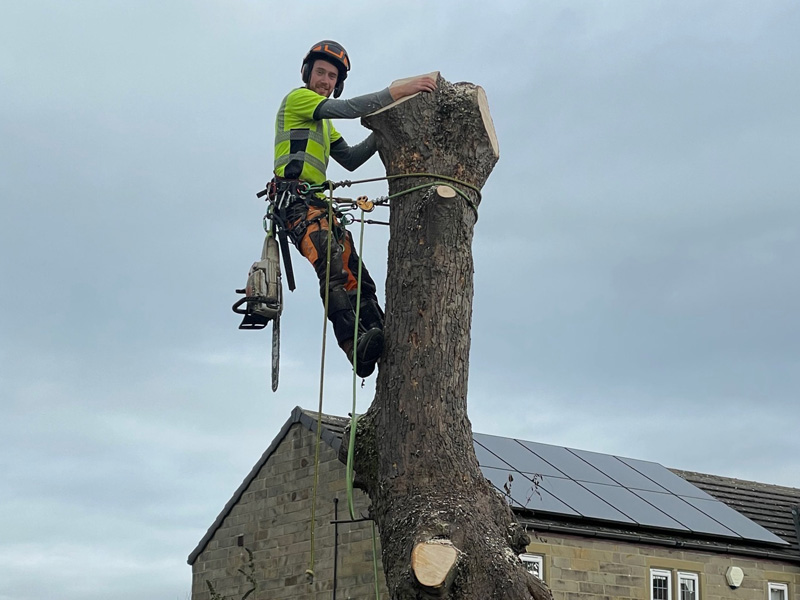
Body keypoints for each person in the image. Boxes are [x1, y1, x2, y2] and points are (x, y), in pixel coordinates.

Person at [271, 40, 436, 378]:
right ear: (307, 73)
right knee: (331, 266)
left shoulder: (324, 124)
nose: (326, 81)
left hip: (318, 206)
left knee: (355, 272)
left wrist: (386, 128)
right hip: (297, 204)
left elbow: (350, 160)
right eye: (321, 73)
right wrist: (396, 92)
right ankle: (353, 347)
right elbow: (347, 108)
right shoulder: (299, 100)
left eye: (332, 77)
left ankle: (379, 330)